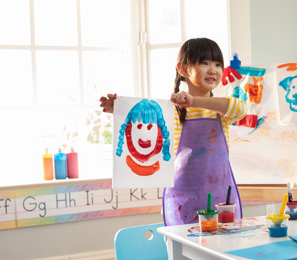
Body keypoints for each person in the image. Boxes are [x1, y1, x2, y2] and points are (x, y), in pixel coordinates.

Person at [100, 38, 246, 226]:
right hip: (183, 201)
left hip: (222, 200)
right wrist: (122, 109)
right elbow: (146, 127)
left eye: (218, 64)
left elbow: (239, 108)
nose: (213, 70)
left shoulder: (221, 111)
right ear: (183, 69)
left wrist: (194, 101)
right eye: (204, 63)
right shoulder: (173, 112)